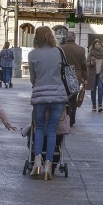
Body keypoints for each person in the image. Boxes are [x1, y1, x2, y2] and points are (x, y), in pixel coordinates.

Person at [28, 26, 69, 180]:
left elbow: (33, 79)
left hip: (40, 94)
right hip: (57, 94)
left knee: (39, 127)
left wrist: (39, 84)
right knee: (52, 129)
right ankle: (48, 166)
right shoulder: (59, 52)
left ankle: (37, 162)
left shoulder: (32, 54)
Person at [61, 31, 88, 127]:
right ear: (75, 38)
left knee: (63, 98)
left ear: (66, 38)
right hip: (76, 76)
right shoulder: (80, 50)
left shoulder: (61, 49)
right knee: (73, 99)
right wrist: (85, 77)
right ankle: (72, 119)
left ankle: (63, 118)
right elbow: (83, 65)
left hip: (63, 76)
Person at [86, 39, 103, 112]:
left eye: (99, 44)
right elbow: (86, 63)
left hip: (101, 74)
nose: (97, 45)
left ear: (101, 45)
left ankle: (100, 105)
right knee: (93, 89)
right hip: (92, 74)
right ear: (94, 45)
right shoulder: (91, 53)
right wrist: (91, 63)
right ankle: (94, 106)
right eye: (96, 44)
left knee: (100, 88)